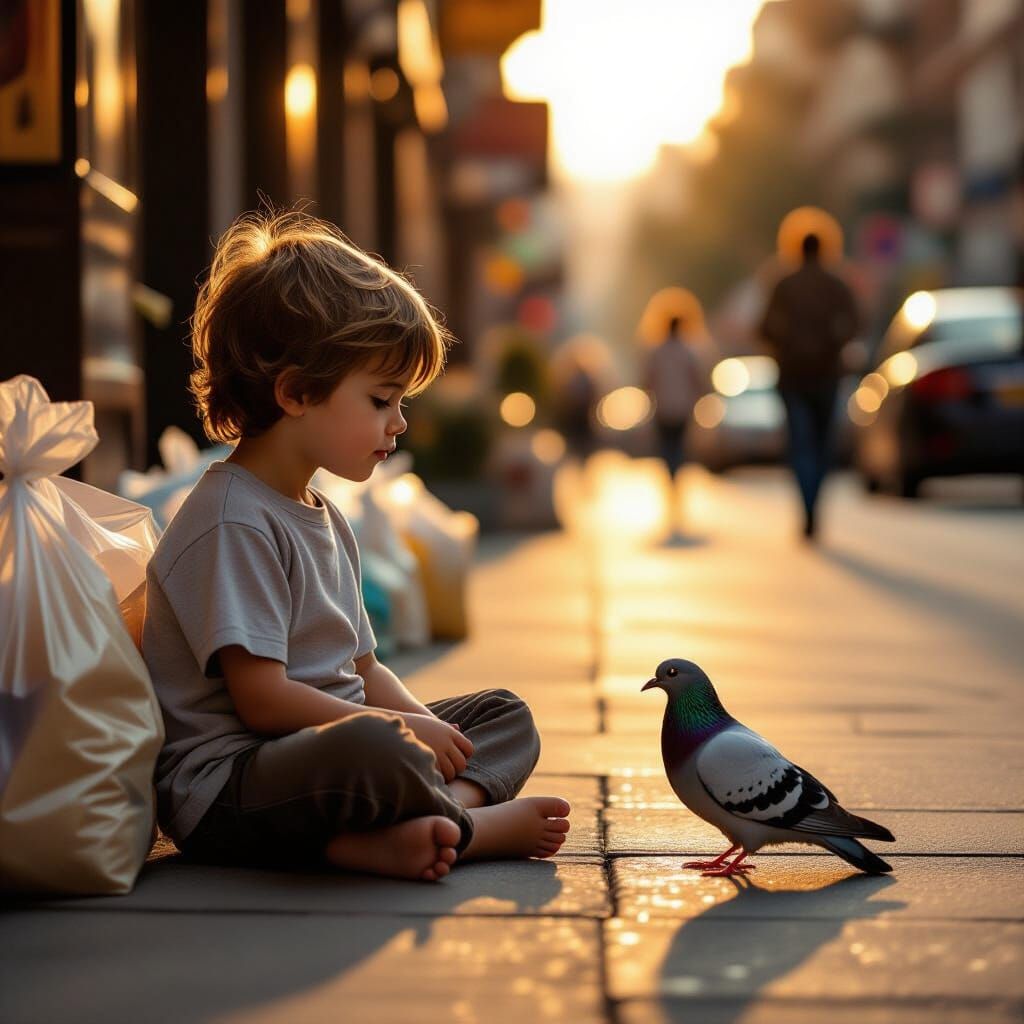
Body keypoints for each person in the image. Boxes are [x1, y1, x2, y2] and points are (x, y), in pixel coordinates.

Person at [142, 210, 570, 883]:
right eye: (380, 399)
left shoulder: (322, 514)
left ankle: (411, 827)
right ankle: (469, 826)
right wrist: (397, 735)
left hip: (334, 752)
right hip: (234, 786)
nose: (399, 423)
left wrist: (433, 734)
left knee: (501, 716)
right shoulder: (231, 520)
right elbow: (263, 702)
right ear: (295, 393)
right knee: (379, 743)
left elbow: (365, 669)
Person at [759, 232, 859, 539]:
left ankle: (807, 509)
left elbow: (764, 328)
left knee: (801, 446)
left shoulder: (784, 285)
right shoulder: (836, 285)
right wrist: (832, 344)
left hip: (793, 376)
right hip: (826, 375)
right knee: (820, 446)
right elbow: (855, 323)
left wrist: (786, 346)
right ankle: (814, 507)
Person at [644, 314, 706, 479]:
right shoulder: (688, 352)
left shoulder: (657, 352)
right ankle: (675, 473)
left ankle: (671, 474)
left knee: (666, 445)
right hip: (682, 407)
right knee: (678, 445)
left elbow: (648, 380)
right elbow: (697, 380)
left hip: (663, 407)